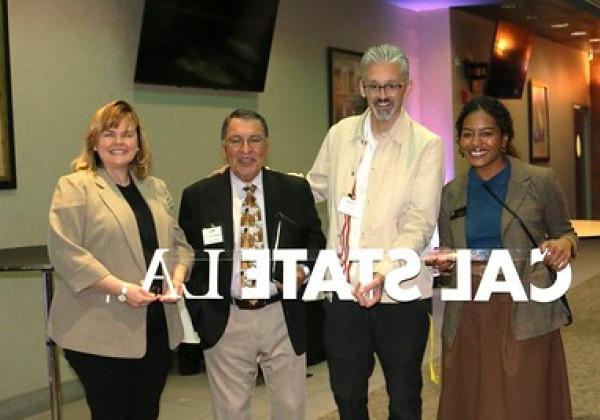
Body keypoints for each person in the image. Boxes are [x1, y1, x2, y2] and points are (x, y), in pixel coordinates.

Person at [307, 43, 445, 419]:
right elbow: (312, 186)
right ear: (362, 88)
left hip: (399, 293)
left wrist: (382, 273)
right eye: (374, 87)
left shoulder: (426, 145)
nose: (383, 96)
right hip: (343, 290)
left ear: (407, 87)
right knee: (347, 395)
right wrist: (253, 179)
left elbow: (420, 221)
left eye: (392, 86)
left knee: (403, 397)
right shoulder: (340, 134)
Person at [47, 100, 194, 420]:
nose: (119, 142)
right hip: (98, 330)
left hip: (154, 328)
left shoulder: (154, 188)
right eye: (109, 134)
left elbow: (180, 246)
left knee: (145, 412)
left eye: (128, 134)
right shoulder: (75, 187)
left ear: (139, 142)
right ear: (94, 142)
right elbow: (67, 253)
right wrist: (123, 289)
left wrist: (177, 279)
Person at [432, 96, 576, 419]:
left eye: (487, 133)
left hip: (525, 309)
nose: (476, 143)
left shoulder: (540, 181)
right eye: (468, 134)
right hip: (469, 313)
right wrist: (443, 266)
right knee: (471, 402)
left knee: (523, 401)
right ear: (459, 142)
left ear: (504, 138)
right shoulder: (450, 193)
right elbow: (447, 257)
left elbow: (567, 233)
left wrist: (565, 246)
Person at [179, 108, 326, 420]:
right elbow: (189, 256)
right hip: (227, 318)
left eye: (254, 140)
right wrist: (204, 315)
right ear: (224, 147)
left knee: (290, 409)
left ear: (266, 145)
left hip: (282, 314)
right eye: (236, 141)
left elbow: (316, 242)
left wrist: (303, 270)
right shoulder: (198, 196)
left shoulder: (294, 191)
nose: (246, 150)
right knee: (231, 413)